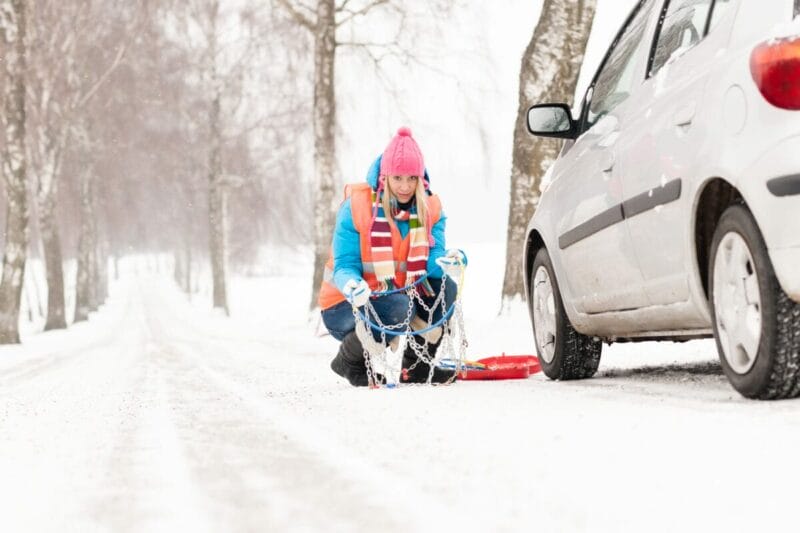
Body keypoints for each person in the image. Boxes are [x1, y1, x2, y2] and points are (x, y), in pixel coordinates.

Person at [318, 127, 464, 386]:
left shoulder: (431, 208)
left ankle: (417, 367)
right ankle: (349, 362)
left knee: (445, 289)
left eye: (411, 179)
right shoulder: (357, 207)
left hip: (395, 295)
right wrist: (351, 284)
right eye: (397, 178)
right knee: (397, 308)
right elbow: (344, 264)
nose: (405, 187)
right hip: (345, 302)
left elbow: (433, 257)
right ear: (385, 176)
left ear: (421, 178)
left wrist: (445, 261)